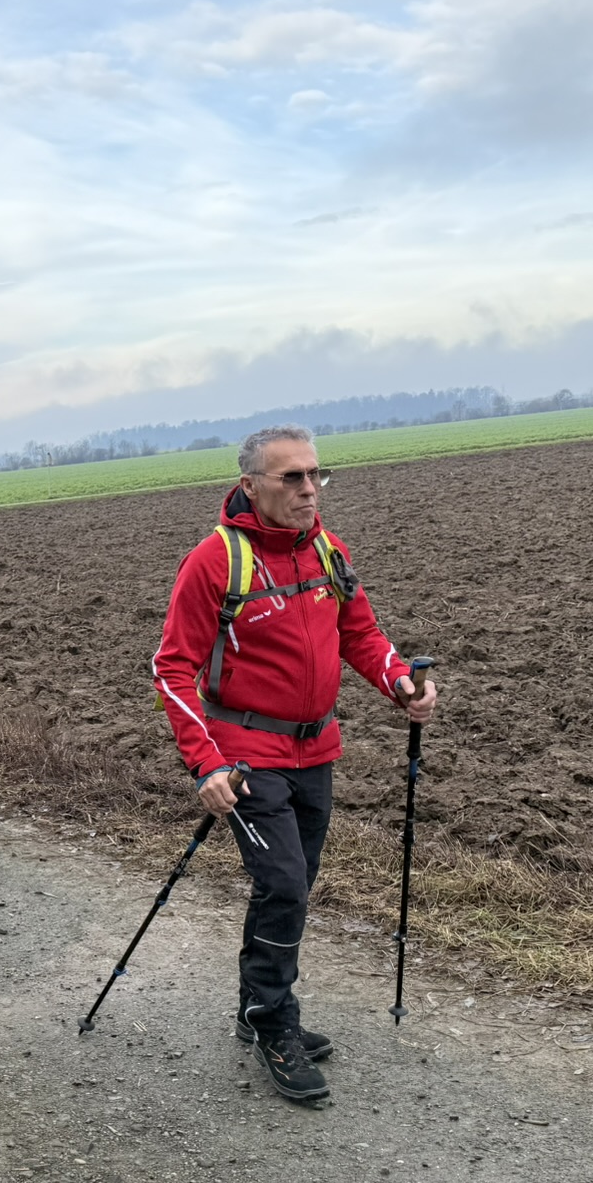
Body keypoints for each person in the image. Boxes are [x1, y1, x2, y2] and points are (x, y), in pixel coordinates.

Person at [152, 425, 437, 1103]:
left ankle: (257, 1006)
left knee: (293, 883)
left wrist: (399, 682)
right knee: (282, 884)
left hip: (316, 749)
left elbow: (359, 633)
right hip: (246, 757)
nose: (310, 489)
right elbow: (172, 668)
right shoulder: (215, 562)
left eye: (316, 474)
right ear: (251, 486)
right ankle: (275, 1023)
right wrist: (205, 763)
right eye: (293, 477)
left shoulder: (327, 549)